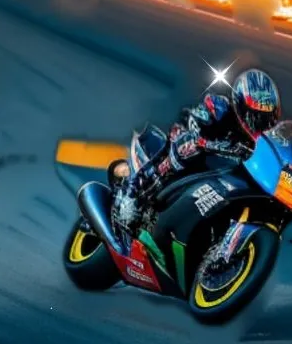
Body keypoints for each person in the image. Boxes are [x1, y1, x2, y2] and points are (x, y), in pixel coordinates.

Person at [115, 69, 281, 231]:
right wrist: (207, 141)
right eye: (254, 116)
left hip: (222, 176)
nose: (259, 123)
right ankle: (133, 193)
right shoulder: (219, 108)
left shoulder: (265, 141)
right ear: (240, 105)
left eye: (265, 118)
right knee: (189, 147)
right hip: (194, 153)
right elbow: (194, 122)